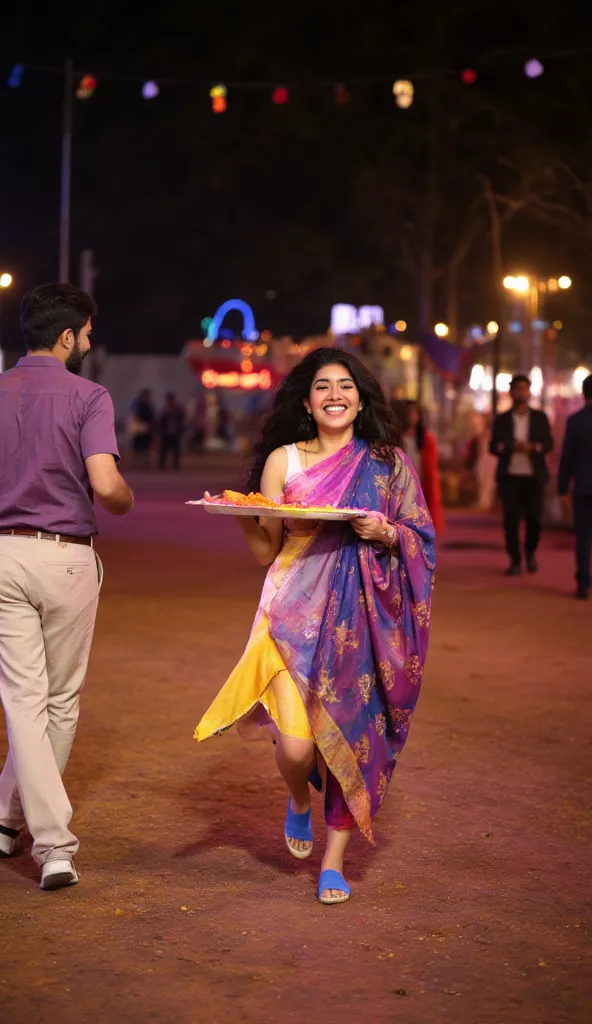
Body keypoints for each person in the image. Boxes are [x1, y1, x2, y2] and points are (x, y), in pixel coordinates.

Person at [195, 348, 435, 905]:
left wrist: (387, 534)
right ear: (306, 401)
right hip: (289, 616)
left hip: (364, 623)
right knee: (299, 750)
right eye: (322, 386)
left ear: (361, 398)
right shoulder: (286, 460)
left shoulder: (387, 464)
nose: (334, 395)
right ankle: (299, 800)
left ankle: (333, 862)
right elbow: (265, 550)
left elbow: (420, 537)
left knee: (352, 736)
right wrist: (242, 516)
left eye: (345, 386)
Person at [0, 283, 134, 890]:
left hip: (3, 556)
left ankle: (5, 820)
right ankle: (54, 844)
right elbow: (106, 486)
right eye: (86, 333)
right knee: (58, 704)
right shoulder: (90, 395)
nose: (89, 342)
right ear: (67, 336)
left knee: (22, 702)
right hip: (66, 557)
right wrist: (126, 500)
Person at [490, 375, 553, 576]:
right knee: (511, 520)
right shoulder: (501, 419)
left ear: (529, 392)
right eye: (517, 389)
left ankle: (531, 552)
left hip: (533, 477)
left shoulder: (540, 418)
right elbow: (493, 446)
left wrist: (533, 447)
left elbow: (548, 444)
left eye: (525, 389)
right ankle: (515, 560)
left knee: (534, 519)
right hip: (509, 477)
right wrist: (510, 446)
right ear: (511, 392)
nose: (521, 393)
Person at [557, 373, 592, 600]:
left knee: (583, 537)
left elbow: (566, 457)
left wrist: (562, 488)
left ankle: (583, 583)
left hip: (583, 486)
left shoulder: (575, 420)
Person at [395, 400, 444, 533]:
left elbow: (431, 466)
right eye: (409, 413)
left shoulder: (425, 438)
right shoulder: (396, 437)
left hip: (420, 485)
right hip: (400, 485)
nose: (412, 416)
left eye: (415, 413)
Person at [158, 392, 186, 471]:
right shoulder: (165, 410)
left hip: (175, 434)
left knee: (176, 452)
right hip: (166, 434)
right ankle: (161, 466)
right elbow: (161, 423)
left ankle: (176, 466)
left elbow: (182, 420)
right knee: (163, 451)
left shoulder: (178, 410)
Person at [129, 388, 155, 467]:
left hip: (142, 429)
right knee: (141, 447)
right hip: (140, 429)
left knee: (142, 447)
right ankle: (140, 463)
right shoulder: (140, 405)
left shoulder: (144, 405)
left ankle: (142, 463)